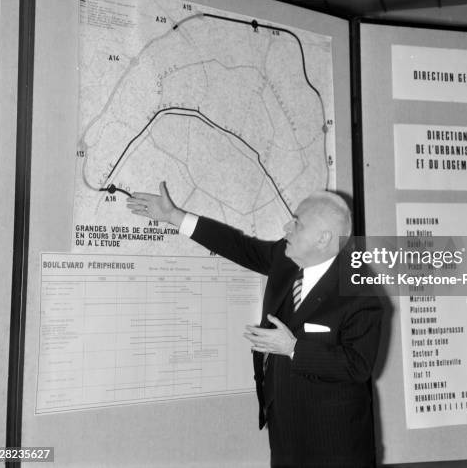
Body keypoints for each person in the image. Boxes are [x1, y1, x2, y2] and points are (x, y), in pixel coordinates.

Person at [127, 182, 384, 467]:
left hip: (334, 444)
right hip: (285, 434)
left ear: (324, 238)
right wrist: (174, 216)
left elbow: (358, 365)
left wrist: (294, 348)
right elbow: (239, 246)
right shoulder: (284, 260)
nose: (287, 227)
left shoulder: (360, 292)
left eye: (297, 224)